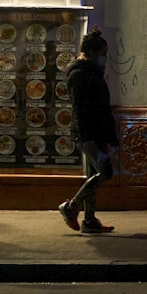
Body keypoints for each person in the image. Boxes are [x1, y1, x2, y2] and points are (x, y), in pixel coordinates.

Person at [58, 28, 119, 234]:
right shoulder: (79, 74)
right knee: (105, 171)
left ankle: (90, 220)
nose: (105, 59)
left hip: (97, 130)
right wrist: (87, 137)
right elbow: (79, 108)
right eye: (103, 54)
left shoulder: (91, 71)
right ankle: (71, 207)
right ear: (91, 52)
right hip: (87, 133)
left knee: (95, 173)